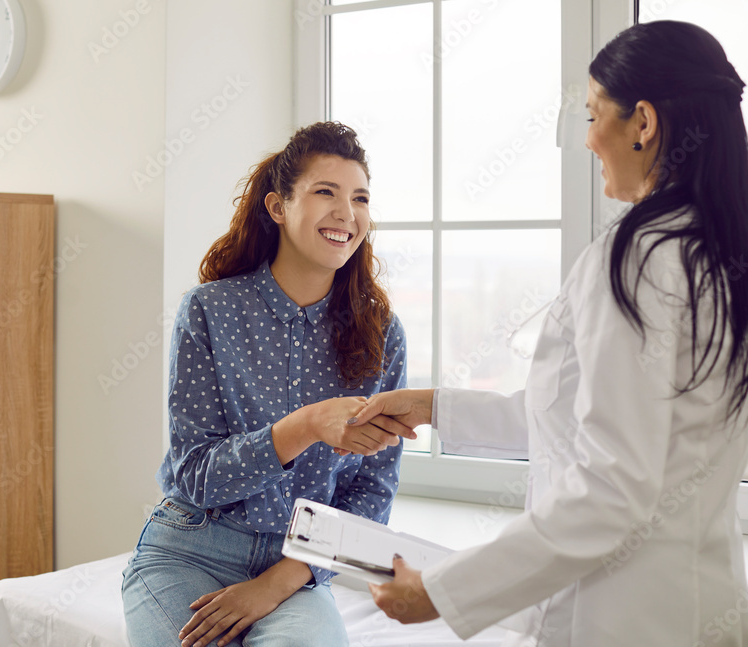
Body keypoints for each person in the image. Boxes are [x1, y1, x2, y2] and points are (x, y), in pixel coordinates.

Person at [351, 21, 748, 646]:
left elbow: (611, 484)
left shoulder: (635, 258)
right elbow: (578, 418)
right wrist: (434, 408)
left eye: (594, 116)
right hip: (703, 600)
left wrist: (441, 591)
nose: (588, 140)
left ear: (642, 123)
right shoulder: (719, 252)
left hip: (619, 618)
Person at [122, 121, 412, 647]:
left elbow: (372, 493)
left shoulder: (381, 334)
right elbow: (194, 476)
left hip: (296, 571)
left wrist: (273, 586)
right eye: (326, 192)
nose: (347, 213)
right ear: (277, 207)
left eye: (361, 198)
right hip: (189, 548)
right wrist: (303, 428)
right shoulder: (209, 309)